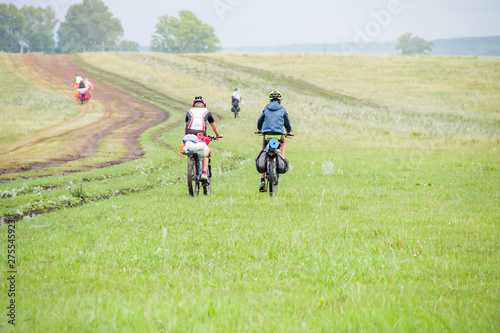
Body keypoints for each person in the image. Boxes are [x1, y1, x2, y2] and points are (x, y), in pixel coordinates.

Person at [256, 90, 293, 192]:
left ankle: (262, 180)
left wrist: (259, 129)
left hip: (267, 135)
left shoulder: (266, 108)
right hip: (278, 134)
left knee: (264, 150)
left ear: (270, 100)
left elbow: (260, 121)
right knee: (283, 141)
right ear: (280, 101)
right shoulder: (282, 109)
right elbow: (287, 123)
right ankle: (282, 156)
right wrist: (289, 131)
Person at [185, 96, 222, 182]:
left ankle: (191, 165)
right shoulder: (207, 111)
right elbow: (214, 127)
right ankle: (204, 174)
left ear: (194, 105)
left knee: (190, 149)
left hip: (189, 133)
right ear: (204, 105)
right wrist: (217, 135)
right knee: (206, 152)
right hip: (201, 133)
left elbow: (186, 125)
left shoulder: (189, 111)